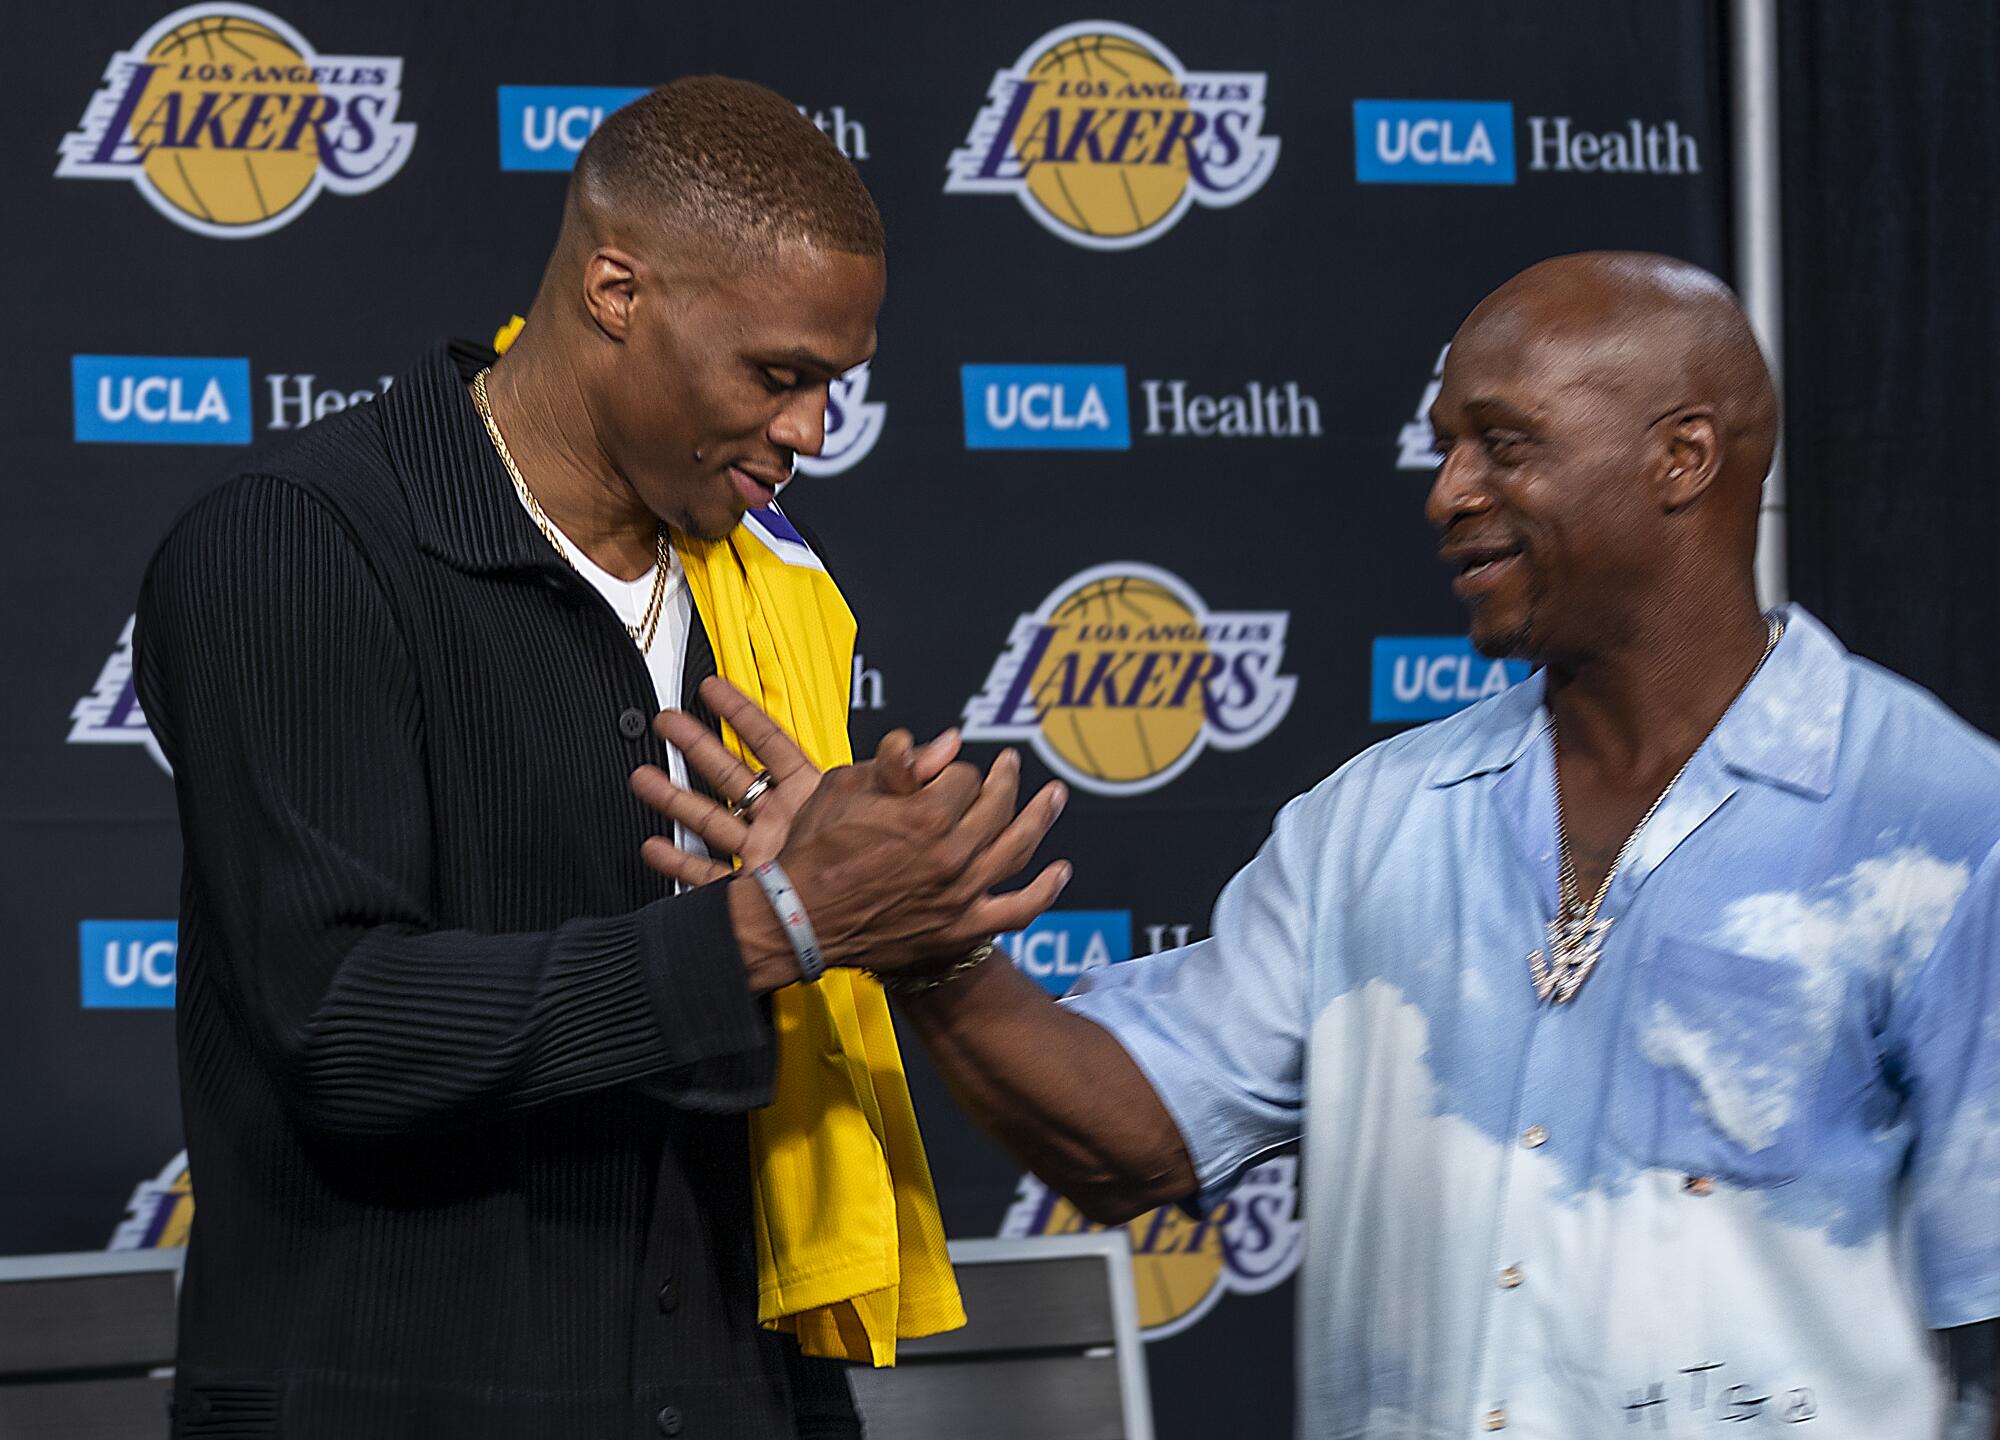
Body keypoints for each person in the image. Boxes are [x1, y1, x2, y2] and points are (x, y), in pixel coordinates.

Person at [646, 253, 2000, 1438]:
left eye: (1503, 444)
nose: (1446, 491)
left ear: (1682, 458)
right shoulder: (1378, 824)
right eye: (1444, 446)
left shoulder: (1940, 828)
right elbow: (1138, 1142)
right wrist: (930, 946)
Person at [134, 76, 1063, 1440]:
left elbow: (749, 1117)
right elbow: (341, 1025)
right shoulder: (294, 548)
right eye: (778, 375)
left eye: (832, 386)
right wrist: (775, 926)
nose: (813, 432)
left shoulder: (771, 604)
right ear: (619, 290)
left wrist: (885, 926)